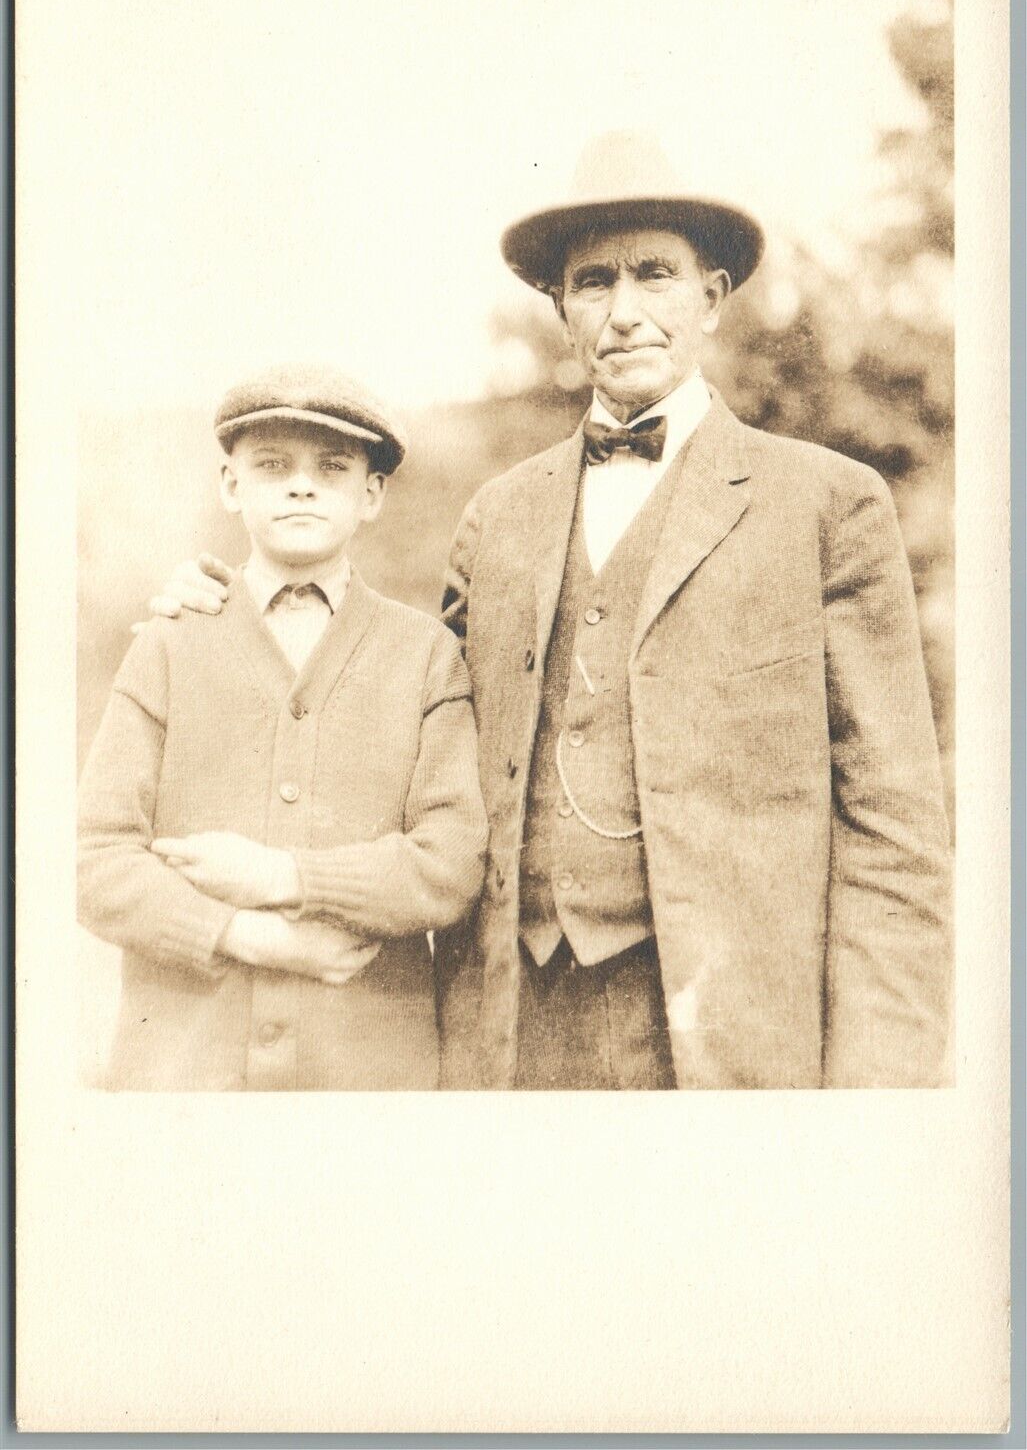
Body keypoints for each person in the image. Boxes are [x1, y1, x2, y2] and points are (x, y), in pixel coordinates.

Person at [149, 133, 953, 1091]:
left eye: (655, 275)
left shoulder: (827, 505)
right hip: (510, 1031)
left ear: (713, 294)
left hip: (730, 1047)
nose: (624, 312)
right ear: (561, 310)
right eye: (591, 283)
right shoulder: (498, 517)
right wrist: (236, 612)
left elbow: (894, 839)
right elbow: (388, 717)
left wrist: (876, 1097)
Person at [78, 366, 488, 1090]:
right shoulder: (169, 643)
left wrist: (285, 877)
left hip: (364, 1073)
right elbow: (96, 863)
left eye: (332, 469)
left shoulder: (426, 656)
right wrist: (248, 936)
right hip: (184, 1072)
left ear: (371, 496)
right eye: (272, 466)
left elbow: (448, 864)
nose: (301, 486)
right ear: (231, 486)